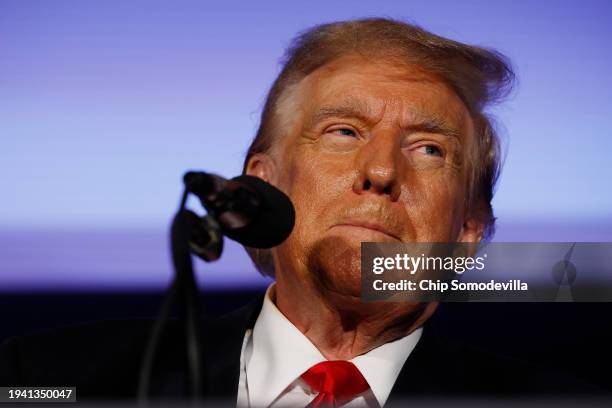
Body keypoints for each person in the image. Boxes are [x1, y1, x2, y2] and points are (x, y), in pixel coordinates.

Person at [0, 18, 595, 406]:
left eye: (429, 149)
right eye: (342, 130)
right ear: (261, 186)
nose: (382, 172)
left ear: (467, 234)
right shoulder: (49, 379)